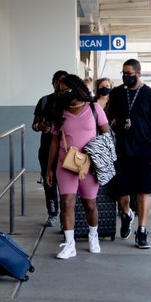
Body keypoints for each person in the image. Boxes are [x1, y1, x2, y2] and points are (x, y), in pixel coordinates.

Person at [45, 74, 110, 259]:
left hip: (89, 165)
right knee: (67, 203)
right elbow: (54, 142)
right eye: (60, 91)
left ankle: (93, 236)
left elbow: (106, 134)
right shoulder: (60, 112)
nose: (62, 93)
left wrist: (96, 152)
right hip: (65, 164)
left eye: (65, 90)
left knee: (90, 204)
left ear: (76, 89)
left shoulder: (94, 108)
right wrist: (49, 168)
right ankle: (69, 244)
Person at [107, 58, 151, 249]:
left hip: (144, 150)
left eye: (128, 74)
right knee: (121, 193)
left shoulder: (150, 95)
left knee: (143, 192)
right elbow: (107, 120)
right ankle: (126, 214)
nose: (125, 77)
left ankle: (142, 231)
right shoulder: (116, 94)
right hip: (121, 150)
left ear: (138, 74)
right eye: (123, 73)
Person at [32, 70, 66, 228]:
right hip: (47, 148)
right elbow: (34, 124)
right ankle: (52, 213)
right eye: (57, 81)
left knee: (67, 184)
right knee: (49, 181)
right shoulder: (44, 101)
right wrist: (40, 126)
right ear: (53, 82)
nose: (59, 84)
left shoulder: (71, 101)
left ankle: (67, 216)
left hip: (67, 149)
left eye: (63, 81)